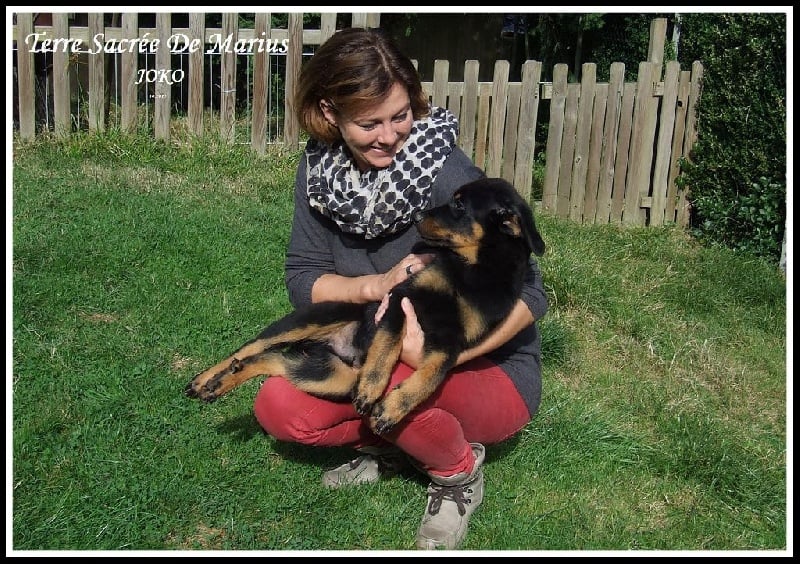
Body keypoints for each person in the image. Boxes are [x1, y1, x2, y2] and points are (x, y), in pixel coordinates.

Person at [252, 27, 548, 550]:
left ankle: (457, 474)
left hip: (488, 369)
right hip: (381, 348)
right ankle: (397, 445)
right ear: (330, 114)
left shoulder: (444, 170)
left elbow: (531, 294)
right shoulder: (318, 175)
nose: (390, 137)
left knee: (392, 378)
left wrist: (439, 357)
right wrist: (376, 284)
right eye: (369, 123)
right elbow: (303, 277)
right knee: (279, 407)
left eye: (401, 115)